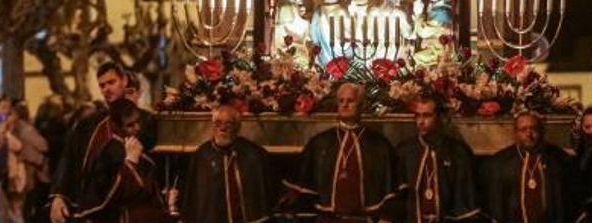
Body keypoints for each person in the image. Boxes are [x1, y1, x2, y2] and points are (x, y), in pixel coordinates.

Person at [282, 82, 399, 222]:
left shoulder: (378, 144)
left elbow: (391, 191)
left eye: (350, 101)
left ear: (361, 105)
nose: (345, 105)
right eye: (341, 101)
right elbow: (300, 187)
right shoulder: (320, 142)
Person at [49, 62, 129, 223]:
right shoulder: (88, 124)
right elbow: (69, 159)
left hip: (129, 209)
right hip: (94, 211)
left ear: (124, 81)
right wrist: (59, 196)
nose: (107, 89)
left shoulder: (144, 120)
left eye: (111, 82)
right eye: (102, 85)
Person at [74, 98, 167, 222]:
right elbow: (104, 194)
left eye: (138, 121)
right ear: (116, 126)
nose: (137, 128)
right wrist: (129, 163)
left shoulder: (140, 141)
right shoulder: (109, 152)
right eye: (130, 125)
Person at [178, 104, 274, 223]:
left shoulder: (253, 154)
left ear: (237, 127)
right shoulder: (202, 155)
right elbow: (193, 196)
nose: (222, 128)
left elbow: (264, 193)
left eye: (228, 124)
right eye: (218, 123)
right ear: (213, 126)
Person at [482, 110, 578, 223]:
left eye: (533, 129)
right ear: (515, 133)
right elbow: (495, 203)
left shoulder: (560, 159)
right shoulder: (499, 163)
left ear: (542, 131)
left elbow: (571, 200)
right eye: (523, 130)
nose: (529, 134)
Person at [396, 96, 479, 222]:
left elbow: (464, 199)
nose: (421, 122)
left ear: (439, 117)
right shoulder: (405, 151)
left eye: (427, 116)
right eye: (417, 116)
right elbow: (399, 198)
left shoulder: (457, 151)